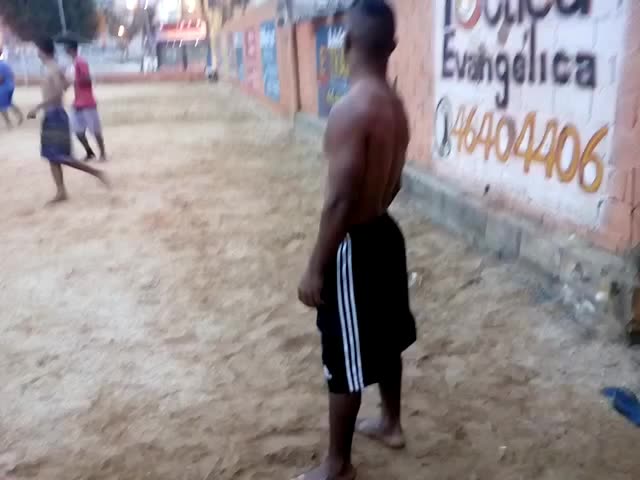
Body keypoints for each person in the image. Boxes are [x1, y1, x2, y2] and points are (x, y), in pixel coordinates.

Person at [296, 1, 416, 479]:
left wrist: (315, 267)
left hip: (355, 242)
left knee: (343, 351)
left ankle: (338, 464)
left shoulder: (350, 109)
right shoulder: (395, 105)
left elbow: (341, 200)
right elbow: (396, 181)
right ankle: (390, 422)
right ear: (391, 46)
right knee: (387, 335)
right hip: (386, 232)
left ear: (346, 44)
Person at [27, 37, 108, 204]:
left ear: (42, 51)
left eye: (38, 50)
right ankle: (61, 191)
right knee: (52, 156)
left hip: (55, 115)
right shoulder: (53, 67)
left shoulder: (52, 68)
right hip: (53, 114)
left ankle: (96, 173)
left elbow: (58, 92)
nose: (37, 53)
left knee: (61, 156)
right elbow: (65, 84)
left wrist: (38, 107)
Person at [62, 38, 107, 162]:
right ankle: (89, 152)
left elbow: (88, 79)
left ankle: (103, 154)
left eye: (66, 48)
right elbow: (67, 85)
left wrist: (74, 80)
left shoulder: (80, 62)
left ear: (71, 49)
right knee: (77, 130)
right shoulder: (72, 65)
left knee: (94, 130)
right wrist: (66, 82)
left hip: (87, 101)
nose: (65, 51)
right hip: (77, 102)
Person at [0, 47, 24, 128]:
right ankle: (20, 116)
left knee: (2, 106)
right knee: (9, 103)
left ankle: (8, 123)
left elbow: (1, 79)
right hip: (10, 86)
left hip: (3, 88)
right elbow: (12, 75)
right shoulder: (5, 64)